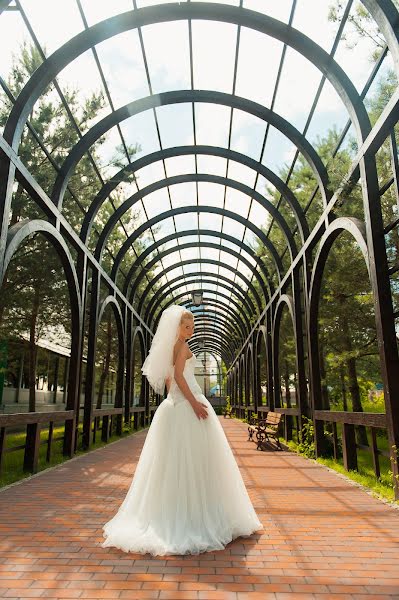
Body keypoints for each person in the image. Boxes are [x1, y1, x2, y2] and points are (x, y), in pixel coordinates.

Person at [101, 305, 263, 556]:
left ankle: (179, 511)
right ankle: (197, 516)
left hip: (174, 404)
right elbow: (178, 376)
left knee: (176, 462)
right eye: (187, 326)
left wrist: (174, 399)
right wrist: (194, 403)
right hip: (187, 403)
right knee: (197, 460)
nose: (191, 329)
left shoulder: (172, 348)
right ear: (177, 327)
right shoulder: (182, 347)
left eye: (192, 326)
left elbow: (169, 380)